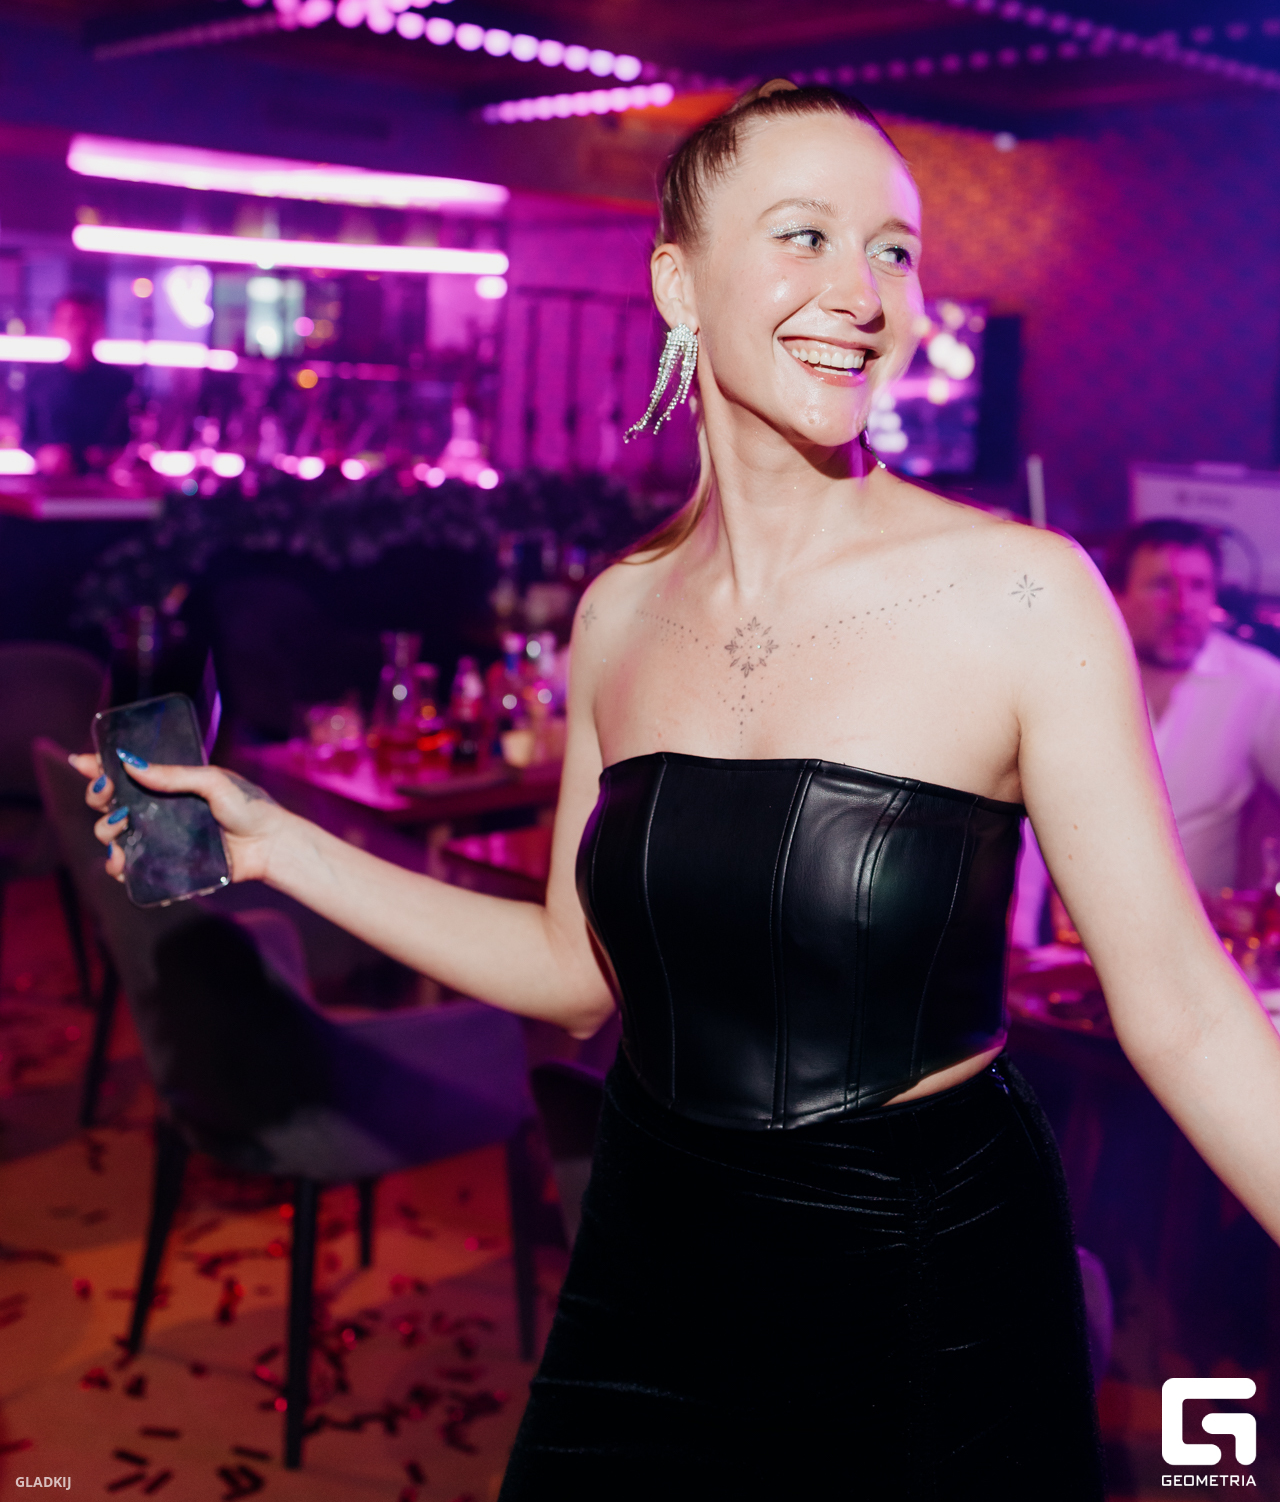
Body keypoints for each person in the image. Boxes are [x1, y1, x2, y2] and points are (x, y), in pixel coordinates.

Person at [74, 83, 1280, 1499]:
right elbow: (569, 972)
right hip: (650, 1240)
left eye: (893, 250)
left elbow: (1182, 1008)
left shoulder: (1021, 592)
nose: (863, 293)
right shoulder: (618, 614)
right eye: (804, 235)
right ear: (676, 283)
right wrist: (279, 845)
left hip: (921, 1270)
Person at [1111, 518, 1280, 895]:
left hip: (1197, 924)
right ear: (1116, 595)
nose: (1182, 605)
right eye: (1161, 585)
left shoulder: (1258, 683)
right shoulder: (1078, 675)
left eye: (1199, 586)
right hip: (1071, 926)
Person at [24, 291, 133, 475]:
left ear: (100, 326)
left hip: (102, 483)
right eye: (72, 321)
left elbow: (129, 438)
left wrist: (106, 455)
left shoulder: (120, 381)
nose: (81, 329)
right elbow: (27, 438)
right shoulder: (39, 380)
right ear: (55, 326)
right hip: (50, 482)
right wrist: (45, 455)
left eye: (88, 321)